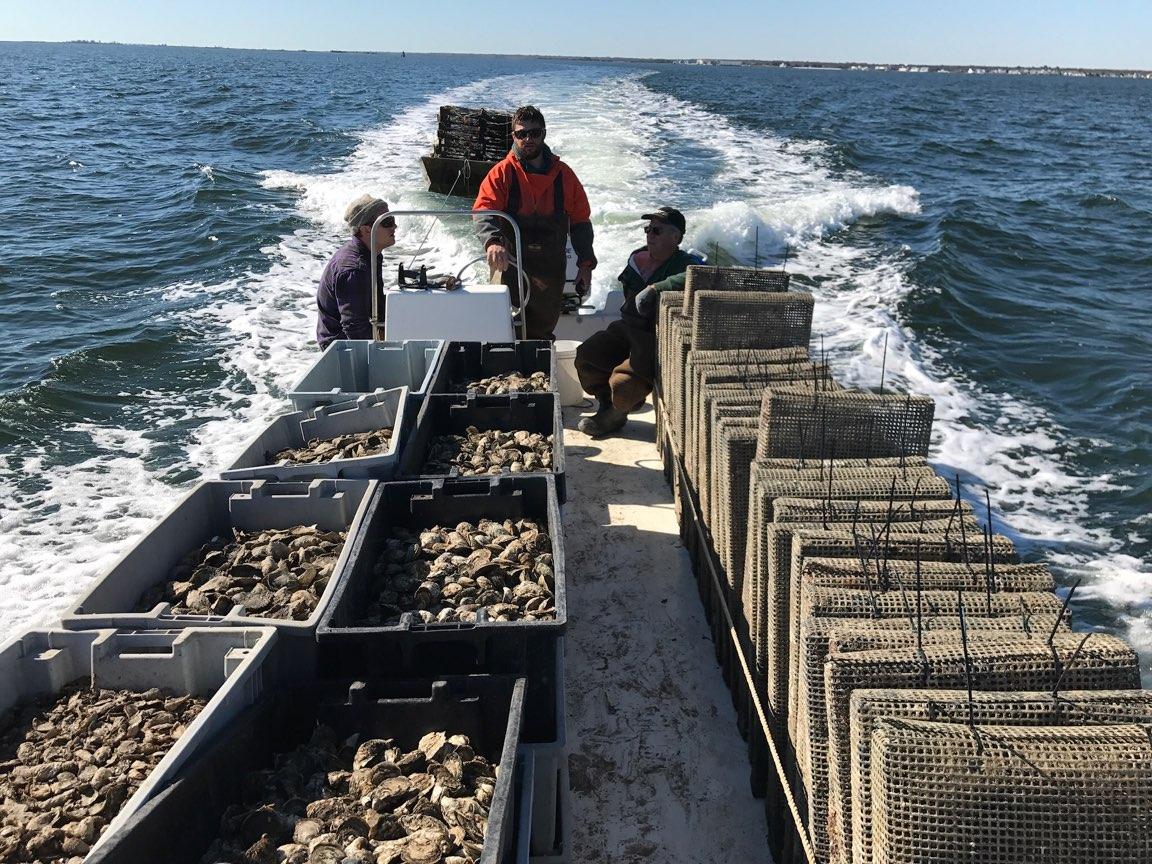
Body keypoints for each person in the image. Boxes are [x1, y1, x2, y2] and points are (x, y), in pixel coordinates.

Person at [575, 207, 702, 437]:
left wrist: (657, 288)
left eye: (656, 231)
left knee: (625, 385)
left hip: (654, 336)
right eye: (647, 230)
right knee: (587, 355)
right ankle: (609, 408)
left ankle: (617, 410)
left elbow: (701, 273)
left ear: (676, 238)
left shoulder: (685, 263)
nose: (649, 235)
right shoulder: (637, 259)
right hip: (626, 328)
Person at [473, 105, 596, 340]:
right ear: (513, 137)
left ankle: (539, 372)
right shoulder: (502, 173)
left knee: (541, 331)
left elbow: (581, 221)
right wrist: (492, 242)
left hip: (550, 268)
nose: (528, 138)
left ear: (544, 134)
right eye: (521, 133)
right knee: (503, 327)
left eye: (534, 133)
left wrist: (585, 264)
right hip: (508, 263)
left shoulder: (565, 175)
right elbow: (484, 209)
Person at [315, 194, 397, 349]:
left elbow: (377, 306)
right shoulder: (354, 270)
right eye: (387, 222)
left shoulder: (372, 253)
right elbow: (356, 331)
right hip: (340, 349)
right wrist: (385, 351)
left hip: (360, 333)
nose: (394, 227)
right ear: (366, 230)